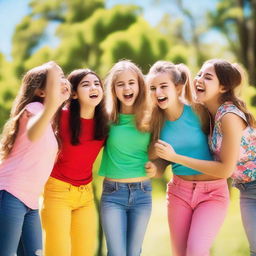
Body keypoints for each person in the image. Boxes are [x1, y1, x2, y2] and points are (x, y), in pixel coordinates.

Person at [155, 59, 256, 256]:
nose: (199, 79)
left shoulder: (228, 117)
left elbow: (225, 169)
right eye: (199, 74)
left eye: (207, 77)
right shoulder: (211, 114)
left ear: (223, 87)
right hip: (246, 187)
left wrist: (177, 157)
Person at [148, 60, 229, 256]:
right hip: (179, 192)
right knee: (180, 253)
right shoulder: (155, 121)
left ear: (177, 87)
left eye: (163, 86)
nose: (158, 92)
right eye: (153, 88)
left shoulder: (198, 111)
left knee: (196, 250)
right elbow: (161, 162)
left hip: (212, 193)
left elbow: (217, 143)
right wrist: (154, 168)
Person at [0, 61, 70, 256]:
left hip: (30, 202)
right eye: (57, 79)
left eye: (63, 76)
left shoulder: (49, 120)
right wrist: (54, 105)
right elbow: (32, 132)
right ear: (41, 91)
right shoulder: (35, 109)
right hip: (10, 194)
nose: (63, 81)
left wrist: (58, 101)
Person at [41, 68, 109, 256]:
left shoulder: (105, 123)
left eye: (97, 84)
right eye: (85, 85)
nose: (93, 88)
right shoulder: (60, 116)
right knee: (58, 252)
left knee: (85, 251)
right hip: (57, 192)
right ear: (74, 94)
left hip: (85, 195)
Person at [99, 59, 156, 256]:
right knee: (116, 253)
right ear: (113, 89)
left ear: (140, 85)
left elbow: (159, 151)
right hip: (113, 193)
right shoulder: (105, 117)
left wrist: (156, 165)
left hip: (142, 193)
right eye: (120, 84)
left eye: (131, 82)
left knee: (134, 253)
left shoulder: (151, 117)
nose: (127, 88)